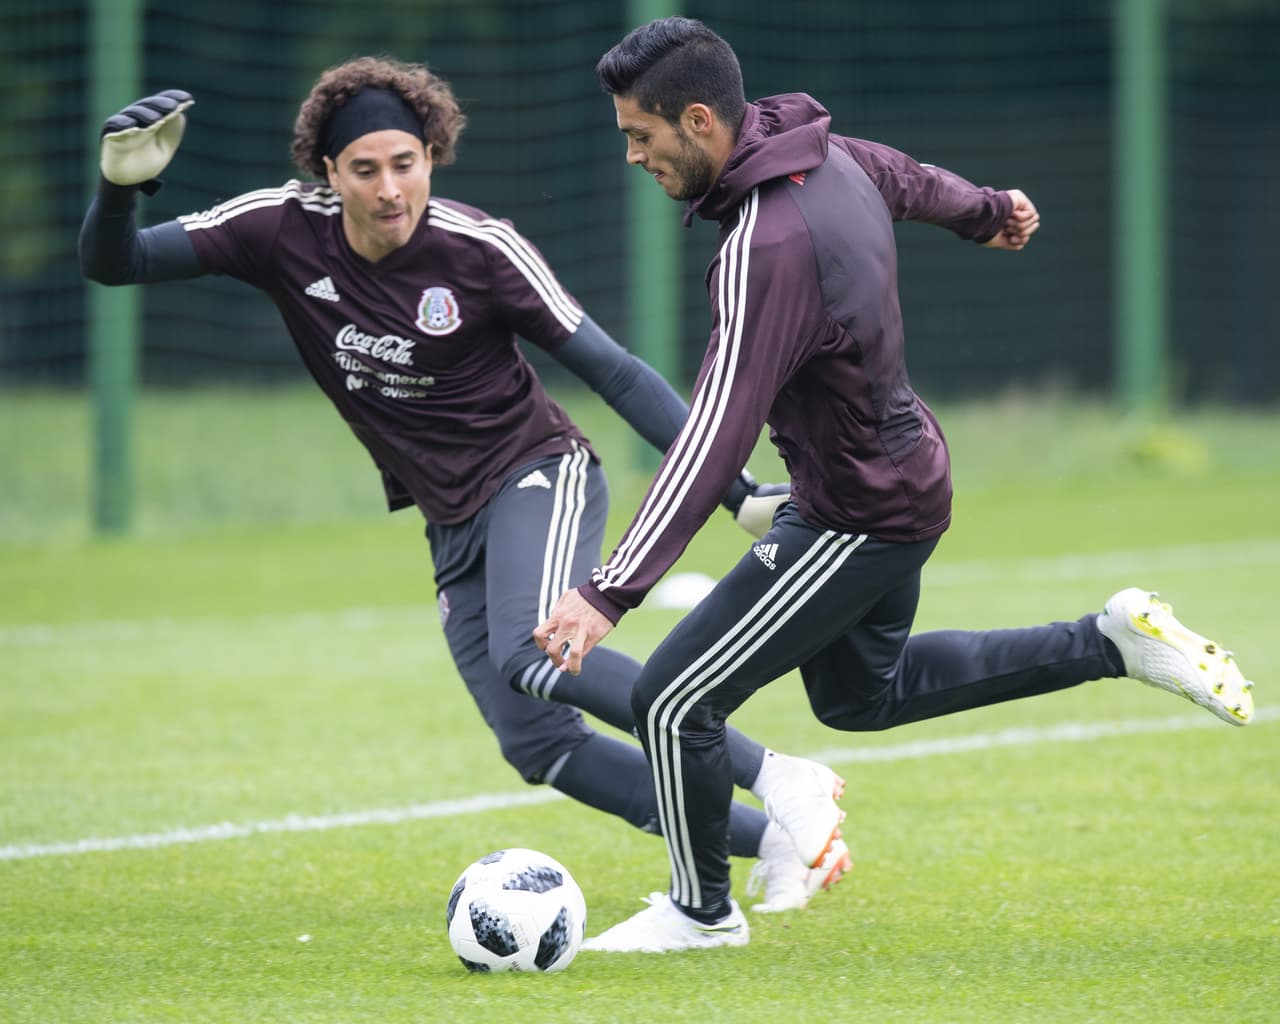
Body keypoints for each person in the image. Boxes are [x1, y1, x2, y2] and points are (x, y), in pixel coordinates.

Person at [532, 17, 1257, 953]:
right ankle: (1108, 642)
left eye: (641, 134)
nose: (632, 155)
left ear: (701, 120)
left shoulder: (763, 247)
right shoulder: (822, 157)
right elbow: (909, 178)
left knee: (670, 702)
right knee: (858, 698)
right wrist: (988, 210)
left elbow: (714, 432)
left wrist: (609, 590)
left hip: (855, 514)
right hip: (903, 478)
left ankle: (702, 913)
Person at [78, 56, 857, 912]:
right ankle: (774, 843)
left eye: (405, 163)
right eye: (364, 169)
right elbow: (117, 263)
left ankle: (777, 776)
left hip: (537, 472)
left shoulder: (481, 248)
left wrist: (738, 489)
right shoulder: (275, 229)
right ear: (328, 173)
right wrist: (119, 188)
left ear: (432, 157)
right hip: (451, 519)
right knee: (539, 742)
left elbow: (615, 370)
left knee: (535, 648)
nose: (388, 188)